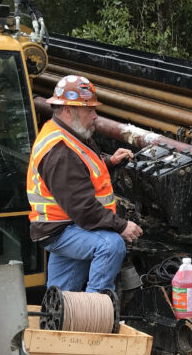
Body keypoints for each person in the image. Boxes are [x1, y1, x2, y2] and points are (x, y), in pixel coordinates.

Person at [27, 74, 142, 294]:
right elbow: (83, 208)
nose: (95, 116)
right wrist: (121, 226)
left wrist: (109, 162)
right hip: (64, 228)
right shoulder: (60, 150)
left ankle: (58, 324)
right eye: (89, 110)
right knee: (111, 245)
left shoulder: (66, 134)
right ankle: (95, 309)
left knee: (62, 298)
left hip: (64, 224)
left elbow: (79, 174)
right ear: (69, 110)